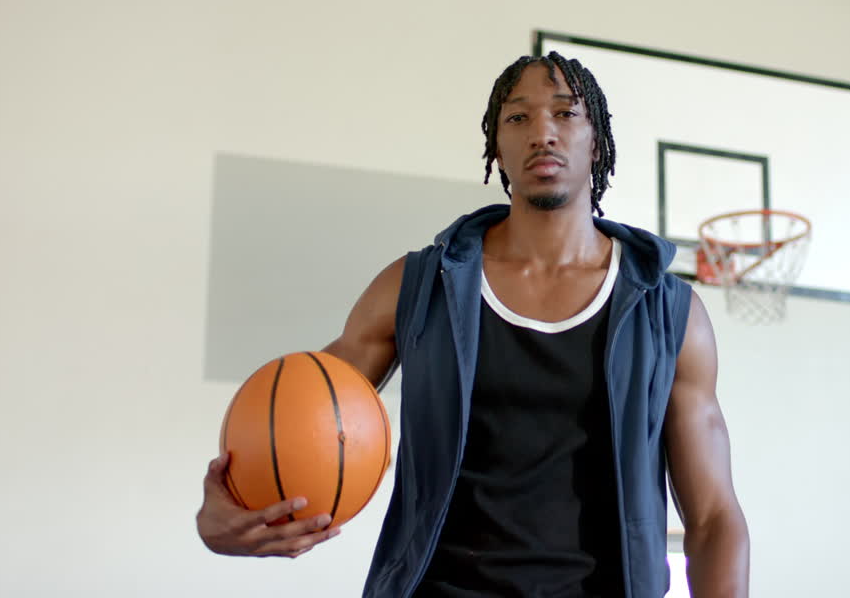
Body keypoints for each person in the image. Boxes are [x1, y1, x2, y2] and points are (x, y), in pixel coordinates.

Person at [197, 52, 750, 597]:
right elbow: (297, 415)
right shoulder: (415, 286)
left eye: (565, 113)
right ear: (497, 148)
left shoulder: (669, 313)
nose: (543, 133)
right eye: (518, 117)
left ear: (597, 140)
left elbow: (713, 519)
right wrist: (225, 512)